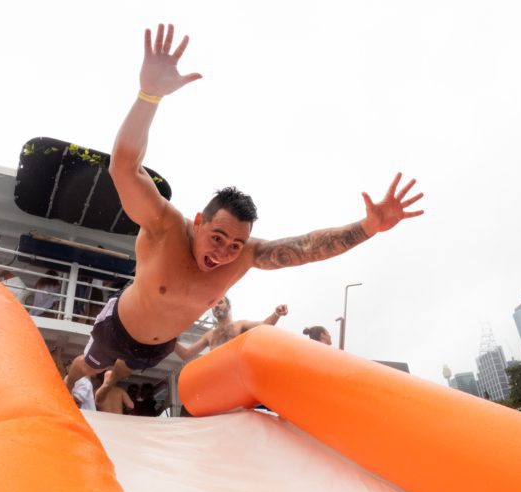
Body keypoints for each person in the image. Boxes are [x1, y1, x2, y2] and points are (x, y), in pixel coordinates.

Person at [65, 23, 424, 411]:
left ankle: (109, 384)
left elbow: (305, 249)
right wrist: (149, 95)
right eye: (217, 238)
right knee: (88, 366)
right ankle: (70, 383)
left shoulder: (246, 257)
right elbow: (123, 167)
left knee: (123, 372)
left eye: (235, 245)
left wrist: (369, 227)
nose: (223, 253)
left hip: (160, 346)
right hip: (119, 325)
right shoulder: (165, 226)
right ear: (199, 220)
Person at [174, 296, 288, 360]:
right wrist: (165, 337)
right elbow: (186, 354)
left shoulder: (240, 325)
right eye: (213, 304)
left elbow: (265, 325)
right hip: (219, 378)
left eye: (220, 302)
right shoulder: (209, 335)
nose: (216, 306)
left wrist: (276, 314)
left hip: (238, 374)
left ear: (228, 307)